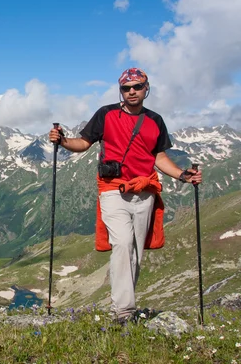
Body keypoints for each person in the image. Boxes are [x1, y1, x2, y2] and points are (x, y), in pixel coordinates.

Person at [48, 67, 202, 324]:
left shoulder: (156, 120)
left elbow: (158, 157)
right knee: (121, 243)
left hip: (144, 192)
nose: (132, 91)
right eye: (126, 88)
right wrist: (63, 140)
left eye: (137, 87)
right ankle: (123, 312)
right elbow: (84, 143)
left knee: (135, 253)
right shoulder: (106, 114)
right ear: (121, 90)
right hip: (112, 189)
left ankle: (123, 308)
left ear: (146, 88)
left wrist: (182, 175)